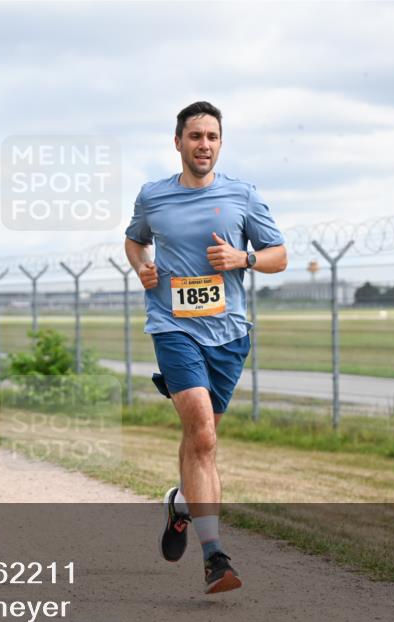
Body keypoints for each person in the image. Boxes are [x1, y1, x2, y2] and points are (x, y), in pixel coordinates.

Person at [124, 101, 287, 594]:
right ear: (178, 142)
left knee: (201, 440)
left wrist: (244, 257)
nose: (204, 145)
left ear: (220, 142)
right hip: (173, 326)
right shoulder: (154, 196)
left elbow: (279, 257)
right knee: (203, 435)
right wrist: (142, 266)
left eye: (212, 136)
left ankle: (180, 505)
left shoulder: (243, 195)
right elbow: (134, 240)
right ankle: (215, 557)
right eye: (194, 136)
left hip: (230, 334)